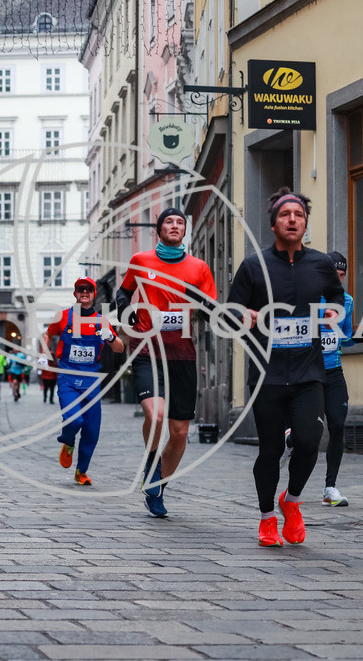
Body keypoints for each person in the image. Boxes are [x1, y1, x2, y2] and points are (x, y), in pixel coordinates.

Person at [226, 188, 344, 547]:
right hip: (268, 375)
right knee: (270, 450)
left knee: (310, 440)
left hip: (309, 371)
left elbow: (337, 297)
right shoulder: (253, 266)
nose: (293, 219)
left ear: (305, 223)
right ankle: (266, 519)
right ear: (273, 224)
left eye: (299, 215)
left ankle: (291, 501)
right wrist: (242, 315)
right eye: (285, 214)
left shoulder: (321, 264)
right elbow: (231, 312)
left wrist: (332, 312)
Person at [116, 207, 217, 518]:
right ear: (158, 230)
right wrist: (127, 313)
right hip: (147, 349)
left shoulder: (199, 267)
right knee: (156, 414)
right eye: (168, 222)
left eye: (180, 223)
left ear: (184, 231)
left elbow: (211, 307)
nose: (175, 226)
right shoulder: (141, 261)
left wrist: (200, 307)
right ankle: (150, 461)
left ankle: (158, 486)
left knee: (180, 433)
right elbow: (123, 293)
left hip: (183, 354)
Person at [45, 277, 125, 485]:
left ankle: (81, 471)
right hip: (68, 378)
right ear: (75, 293)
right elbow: (47, 334)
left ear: (93, 293)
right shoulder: (63, 317)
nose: (84, 292)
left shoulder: (102, 321)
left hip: (91, 381)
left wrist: (110, 338)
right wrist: (44, 354)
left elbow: (120, 348)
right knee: (74, 420)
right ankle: (68, 442)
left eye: (88, 289)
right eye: (80, 289)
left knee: (91, 429)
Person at [319, 252, 363, 507]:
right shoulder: (311, 298)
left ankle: (330, 487)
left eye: (343, 275)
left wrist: (356, 337)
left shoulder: (346, 301)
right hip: (310, 373)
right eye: (334, 274)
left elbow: (343, 336)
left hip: (334, 370)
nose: (339, 278)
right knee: (308, 433)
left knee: (337, 425)